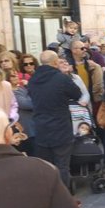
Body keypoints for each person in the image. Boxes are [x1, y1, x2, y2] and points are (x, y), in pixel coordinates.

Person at [27, 51, 82, 188]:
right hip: (60, 127)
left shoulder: (33, 79)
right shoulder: (61, 78)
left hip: (41, 128)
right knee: (62, 165)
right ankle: (63, 199)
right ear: (55, 62)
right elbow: (77, 94)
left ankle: (47, 198)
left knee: (46, 167)